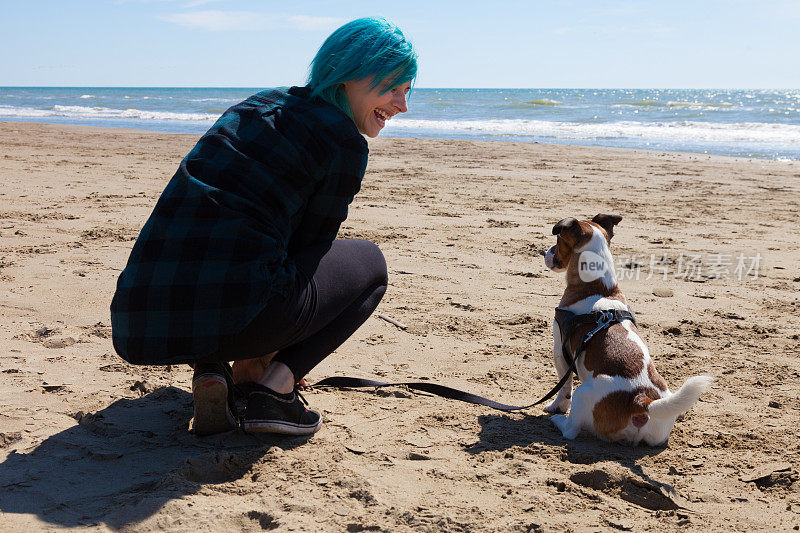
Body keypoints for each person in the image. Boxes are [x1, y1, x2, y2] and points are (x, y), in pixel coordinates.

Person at [110, 17, 417, 436]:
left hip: (140, 318)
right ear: (348, 76)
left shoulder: (256, 106)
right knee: (370, 265)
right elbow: (309, 252)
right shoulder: (343, 141)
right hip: (231, 309)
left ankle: (214, 368)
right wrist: (268, 356)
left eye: (407, 90)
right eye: (393, 87)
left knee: (227, 248)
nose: (402, 105)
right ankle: (274, 392)